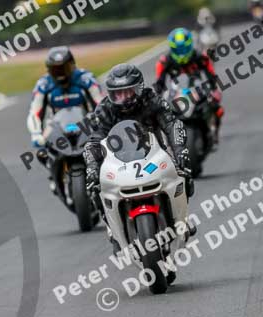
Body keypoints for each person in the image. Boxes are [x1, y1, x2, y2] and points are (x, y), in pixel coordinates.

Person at [84, 64, 193, 237]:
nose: (123, 98)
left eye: (128, 92)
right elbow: (93, 142)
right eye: (118, 94)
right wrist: (92, 167)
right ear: (111, 94)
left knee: (184, 172)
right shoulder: (105, 109)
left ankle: (182, 220)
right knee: (94, 188)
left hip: (155, 156)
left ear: (139, 88)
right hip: (118, 163)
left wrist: (180, 150)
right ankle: (112, 229)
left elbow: (172, 123)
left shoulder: (153, 100)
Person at [26, 46, 105, 192]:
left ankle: (103, 173)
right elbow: (34, 112)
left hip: (85, 122)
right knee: (41, 152)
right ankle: (53, 175)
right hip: (56, 125)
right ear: (49, 70)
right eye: (56, 70)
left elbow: (101, 103)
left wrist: (104, 122)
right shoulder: (43, 85)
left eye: (64, 68)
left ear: (72, 65)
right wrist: (36, 133)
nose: (61, 73)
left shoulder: (86, 78)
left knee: (104, 144)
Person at [154, 28, 223, 148]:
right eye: (178, 49)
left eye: (184, 48)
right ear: (172, 48)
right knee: (158, 113)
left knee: (217, 107)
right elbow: (159, 83)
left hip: (197, 88)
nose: (181, 52)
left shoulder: (200, 57)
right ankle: (165, 141)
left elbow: (211, 75)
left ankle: (214, 131)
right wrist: (156, 97)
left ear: (190, 46)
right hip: (175, 91)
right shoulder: (164, 62)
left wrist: (214, 89)